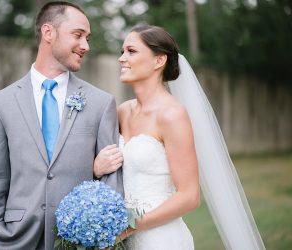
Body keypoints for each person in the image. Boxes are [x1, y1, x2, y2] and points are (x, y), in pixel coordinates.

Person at [94, 25, 265, 249]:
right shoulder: (122, 111)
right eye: (122, 51)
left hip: (159, 238)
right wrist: (97, 168)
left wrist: (129, 227)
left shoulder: (172, 115)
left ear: (159, 61)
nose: (121, 58)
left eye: (131, 51)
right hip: (122, 239)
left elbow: (189, 196)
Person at [0, 2, 123, 250]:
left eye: (87, 38)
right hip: (14, 240)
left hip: (76, 242)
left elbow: (111, 187)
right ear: (48, 33)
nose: (86, 46)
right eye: (77, 35)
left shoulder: (101, 103)